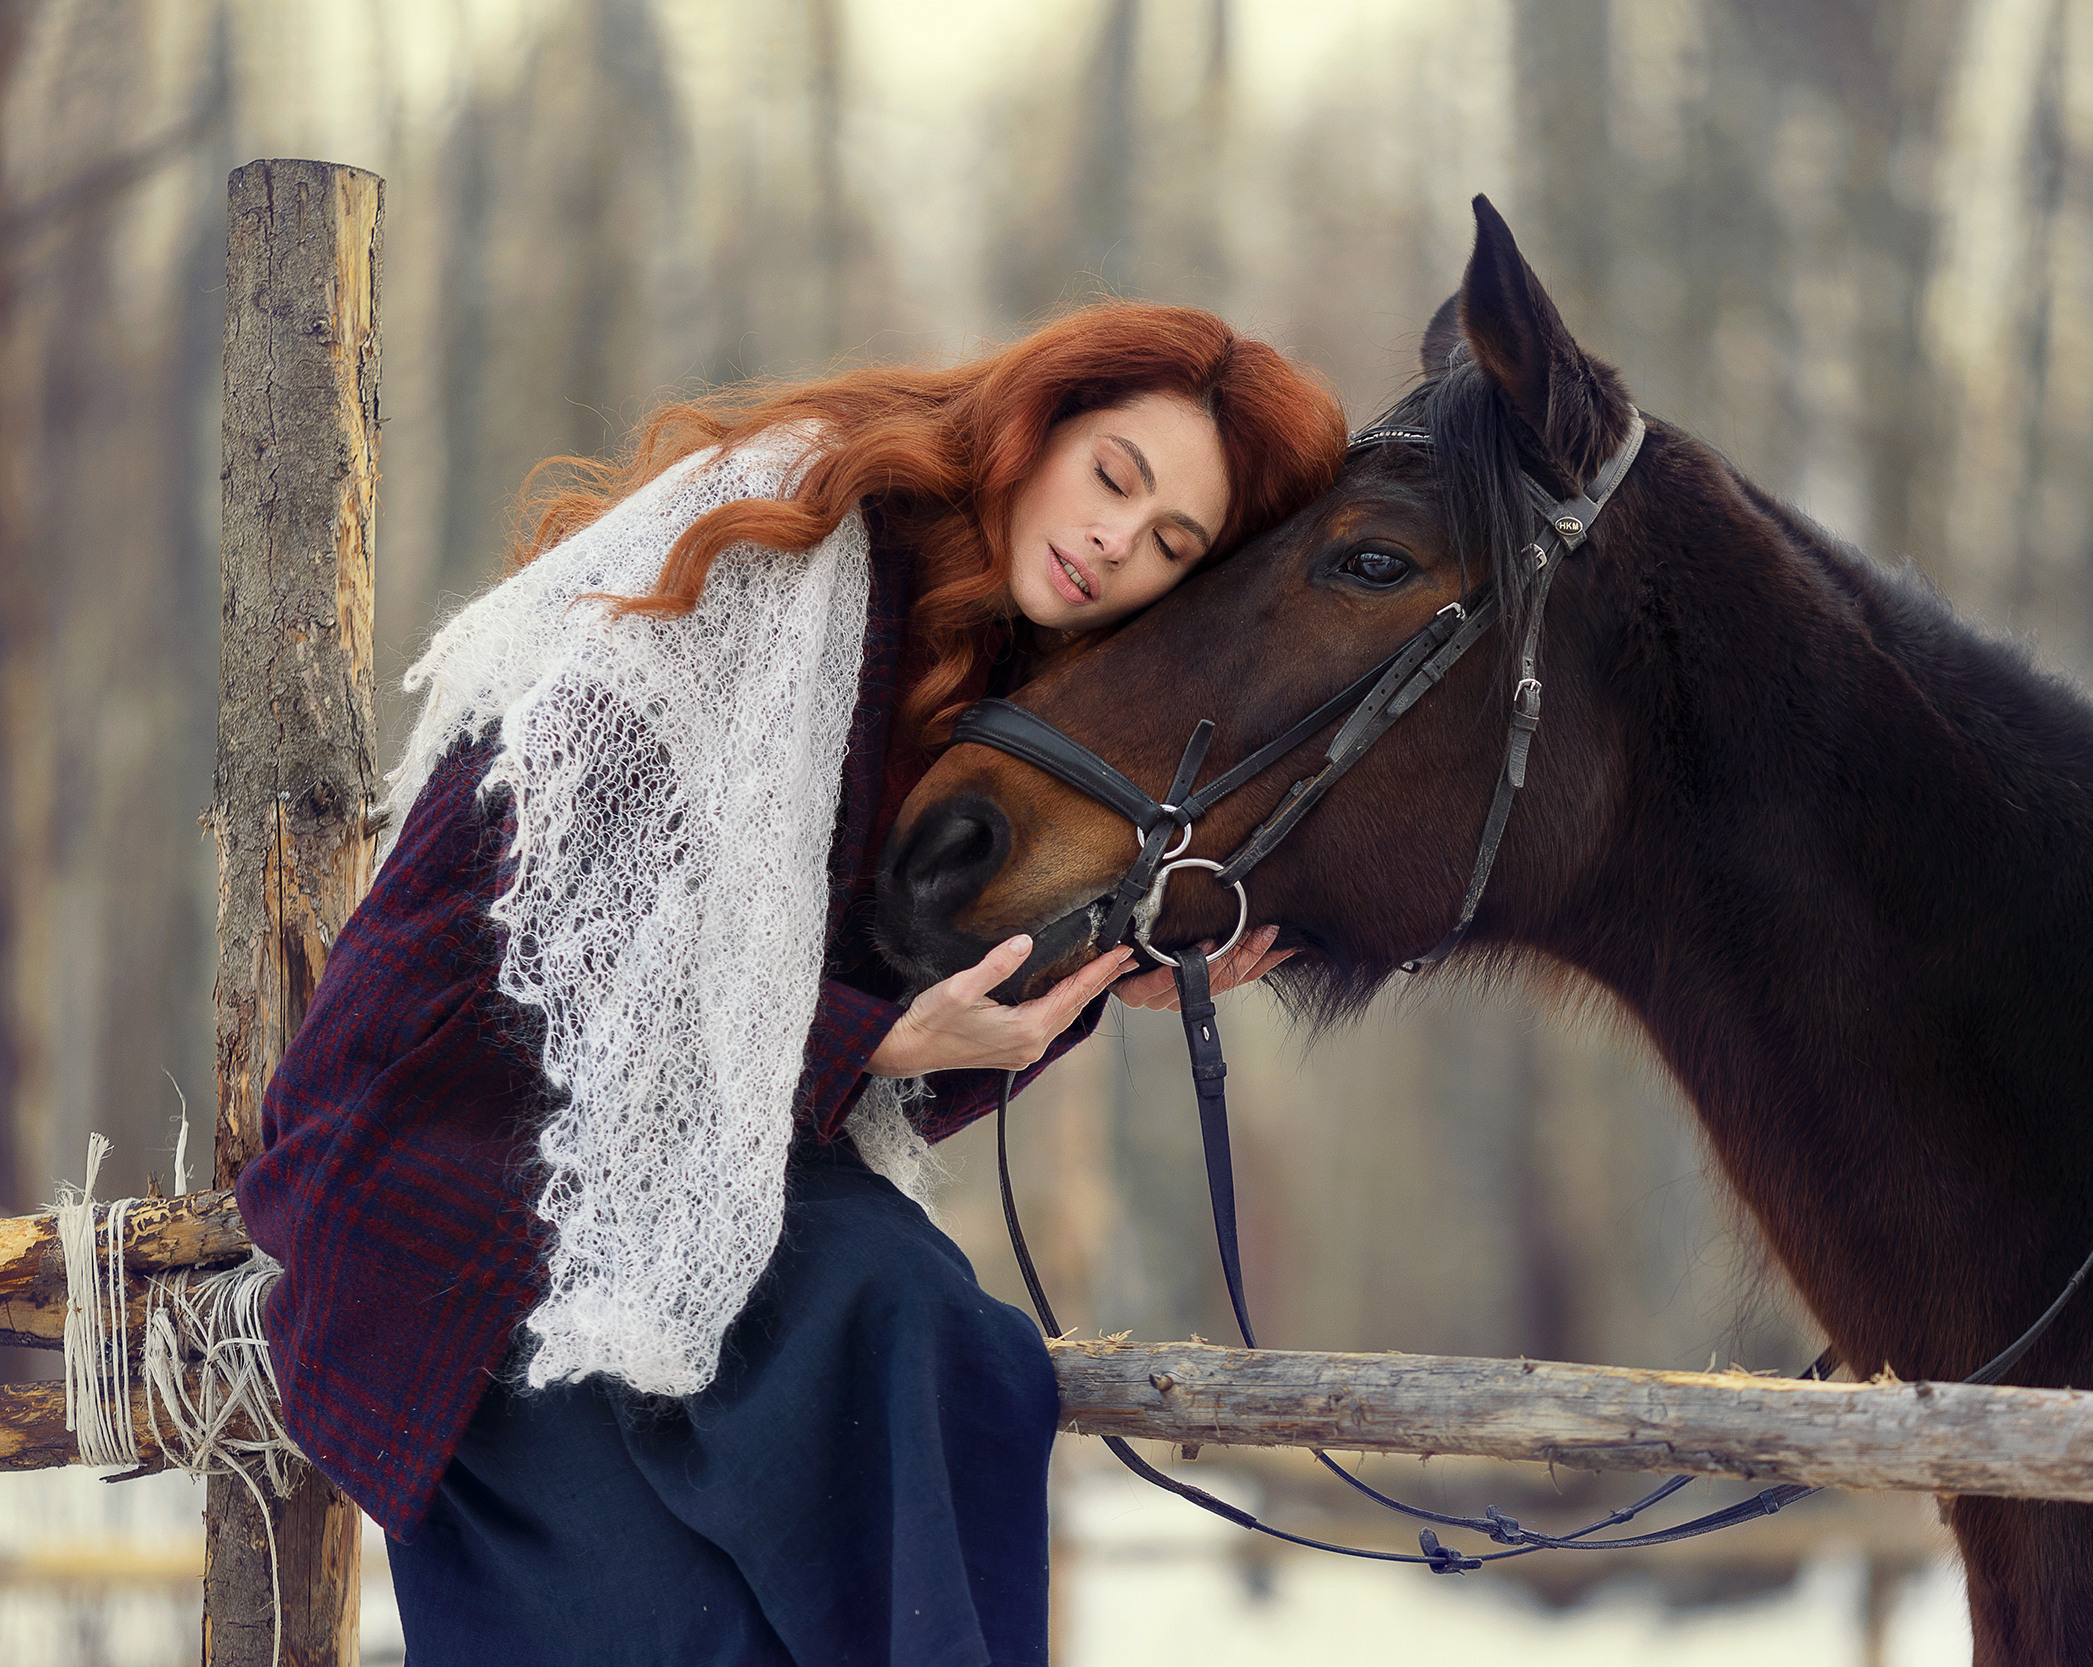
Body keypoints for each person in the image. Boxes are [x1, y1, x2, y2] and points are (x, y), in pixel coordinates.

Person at [235, 303, 1343, 1666]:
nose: (1121, 541)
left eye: (1174, 543)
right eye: (1117, 476)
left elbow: (906, 1035)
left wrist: (1109, 982)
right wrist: (866, 1044)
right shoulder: (791, 527)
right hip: (463, 1150)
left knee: (932, 1338)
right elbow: (571, 910)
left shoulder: (1016, 683)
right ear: (1038, 422)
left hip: (704, 1163)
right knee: (676, 1626)